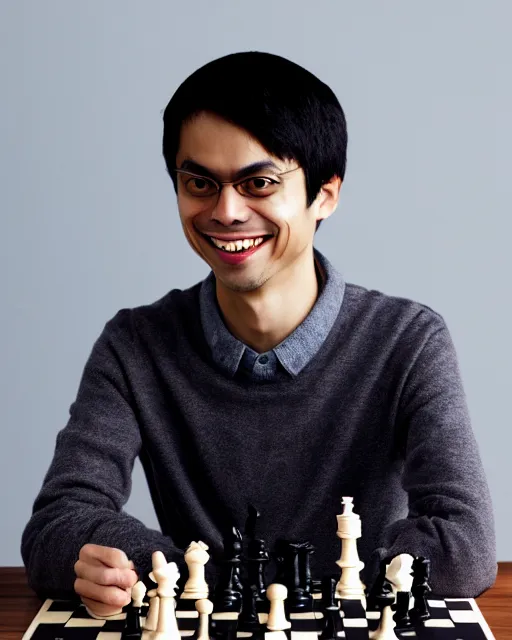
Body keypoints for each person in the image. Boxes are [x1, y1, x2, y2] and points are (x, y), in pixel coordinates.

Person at [21, 51, 496, 617]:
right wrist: (132, 568)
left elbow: (466, 548)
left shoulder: (408, 341)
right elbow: (57, 524)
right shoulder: (135, 345)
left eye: (260, 183)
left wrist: (274, 586)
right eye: (198, 182)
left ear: (326, 193)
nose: (225, 211)